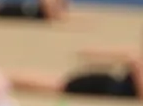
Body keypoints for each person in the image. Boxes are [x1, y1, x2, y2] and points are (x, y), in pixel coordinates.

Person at [7, 37, 141, 102]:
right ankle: (9, 80)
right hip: (105, 86)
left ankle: (9, 78)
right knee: (56, 85)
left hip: (109, 84)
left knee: (55, 81)